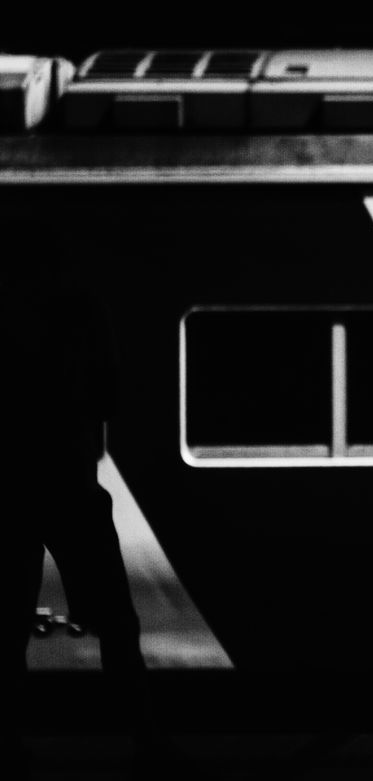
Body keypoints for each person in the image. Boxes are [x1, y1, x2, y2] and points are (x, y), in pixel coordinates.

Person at [0, 215, 154, 778]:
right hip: (69, 482)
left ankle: (8, 745)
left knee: (7, 627)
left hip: (8, 490)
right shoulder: (82, 312)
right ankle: (143, 740)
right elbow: (112, 395)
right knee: (116, 621)